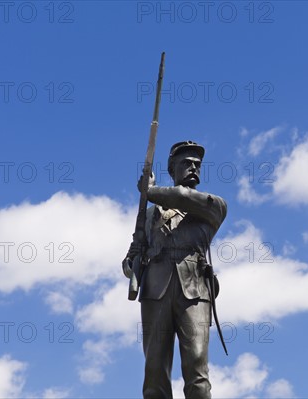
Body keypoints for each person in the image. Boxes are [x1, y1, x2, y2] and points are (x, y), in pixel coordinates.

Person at [122, 140, 227, 399]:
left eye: (197, 165)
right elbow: (128, 264)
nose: (194, 168)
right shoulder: (147, 216)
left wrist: (150, 191)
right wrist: (132, 262)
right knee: (154, 371)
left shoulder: (212, 206)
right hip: (154, 289)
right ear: (173, 169)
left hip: (194, 291)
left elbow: (182, 197)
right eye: (186, 164)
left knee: (197, 369)